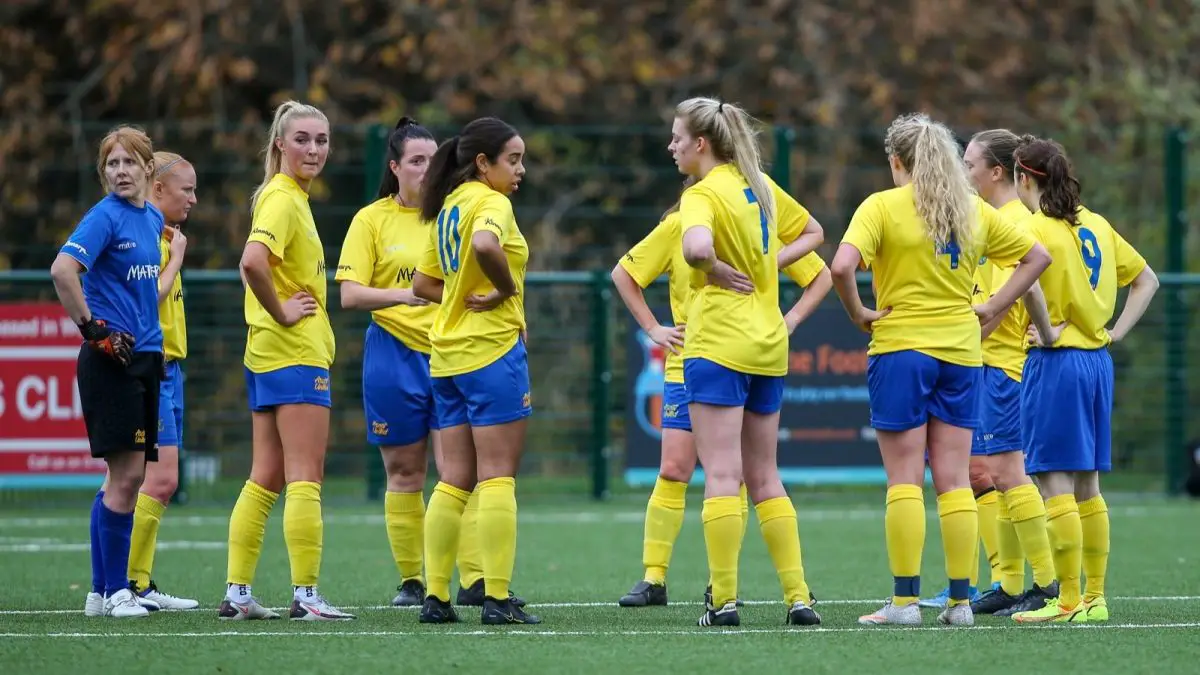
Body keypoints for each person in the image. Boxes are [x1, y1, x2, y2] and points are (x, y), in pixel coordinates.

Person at [829, 113, 1053, 627]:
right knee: (953, 481)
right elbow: (1036, 257)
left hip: (901, 350)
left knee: (904, 481)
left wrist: (859, 312)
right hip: (961, 353)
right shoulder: (970, 208)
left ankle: (905, 604)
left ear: (896, 161)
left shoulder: (882, 206)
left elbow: (841, 266)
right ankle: (959, 605)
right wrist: (992, 306)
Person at [612, 179, 832, 608]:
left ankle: (724, 587)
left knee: (742, 472)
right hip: (689, 361)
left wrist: (791, 321)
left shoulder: (751, 227)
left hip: (737, 356)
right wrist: (654, 329)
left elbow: (819, 274)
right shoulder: (679, 226)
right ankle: (654, 577)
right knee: (676, 466)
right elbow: (625, 273)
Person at [669, 97, 825, 628]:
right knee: (765, 476)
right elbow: (814, 233)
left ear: (701, 144)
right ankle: (798, 597)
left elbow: (693, 250)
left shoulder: (702, 194)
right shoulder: (758, 186)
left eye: (676, 139)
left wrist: (711, 266)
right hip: (766, 344)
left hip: (718, 344)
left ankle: (725, 600)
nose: (671, 148)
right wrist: (764, 263)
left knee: (721, 474)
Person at [1010, 136, 1159, 623]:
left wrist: (1049, 332)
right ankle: (1094, 599)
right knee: (1088, 486)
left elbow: (1029, 282)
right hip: (1097, 363)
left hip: (1058, 364)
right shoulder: (1095, 222)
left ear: (1023, 179)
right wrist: (1114, 331)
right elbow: (1146, 280)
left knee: (1053, 480)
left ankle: (1067, 599)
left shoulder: (1036, 229)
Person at [218, 100, 354, 621]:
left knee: (266, 475)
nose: (313, 148)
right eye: (302, 139)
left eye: (321, 139)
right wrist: (282, 309)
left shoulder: (287, 196)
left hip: (268, 354)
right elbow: (252, 261)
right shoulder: (282, 198)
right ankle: (306, 595)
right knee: (305, 475)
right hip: (294, 354)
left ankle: (238, 593)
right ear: (279, 144)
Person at [412, 116, 538, 625]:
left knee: (453, 480)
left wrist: (463, 302)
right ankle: (497, 598)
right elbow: (487, 247)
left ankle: (436, 598)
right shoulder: (491, 204)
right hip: (489, 353)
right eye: (513, 159)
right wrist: (506, 293)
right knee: (498, 478)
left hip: (446, 357)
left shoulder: (447, 208)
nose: (521, 170)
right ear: (482, 163)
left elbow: (423, 283)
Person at [52, 126, 165, 619]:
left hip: (145, 357)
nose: (121, 171)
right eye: (112, 164)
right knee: (128, 475)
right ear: (104, 173)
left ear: (148, 169)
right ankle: (118, 591)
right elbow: (62, 271)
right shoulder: (104, 217)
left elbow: (140, 295)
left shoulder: (153, 216)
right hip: (111, 359)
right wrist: (92, 328)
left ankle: (100, 593)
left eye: (129, 162)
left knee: (125, 476)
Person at [336, 117, 441, 607]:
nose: (427, 169)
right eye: (416, 161)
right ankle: (412, 580)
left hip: (451, 353)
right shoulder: (371, 220)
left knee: (464, 471)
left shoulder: (457, 214)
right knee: (404, 472)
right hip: (392, 355)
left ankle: (473, 578)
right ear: (396, 167)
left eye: (434, 160)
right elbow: (350, 294)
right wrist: (407, 295)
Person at [958, 130, 1060, 617]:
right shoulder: (992, 218)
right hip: (986, 364)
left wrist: (953, 342)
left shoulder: (1015, 222)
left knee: (1008, 472)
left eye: (970, 163)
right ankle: (1009, 581)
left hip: (1005, 364)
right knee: (986, 475)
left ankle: (1046, 582)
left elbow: (1003, 303)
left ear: (997, 172)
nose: (965, 172)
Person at [120, 151, 202, 611]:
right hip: (151, 369)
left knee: (150, 481)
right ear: (157, 190)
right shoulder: (148, 237)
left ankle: (137, 582)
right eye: (186, 189)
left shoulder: (165, 234)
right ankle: (127, 581)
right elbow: (149, 297)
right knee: (158, 479)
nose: (193, 198)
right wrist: (176, 257)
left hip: (171, 370)